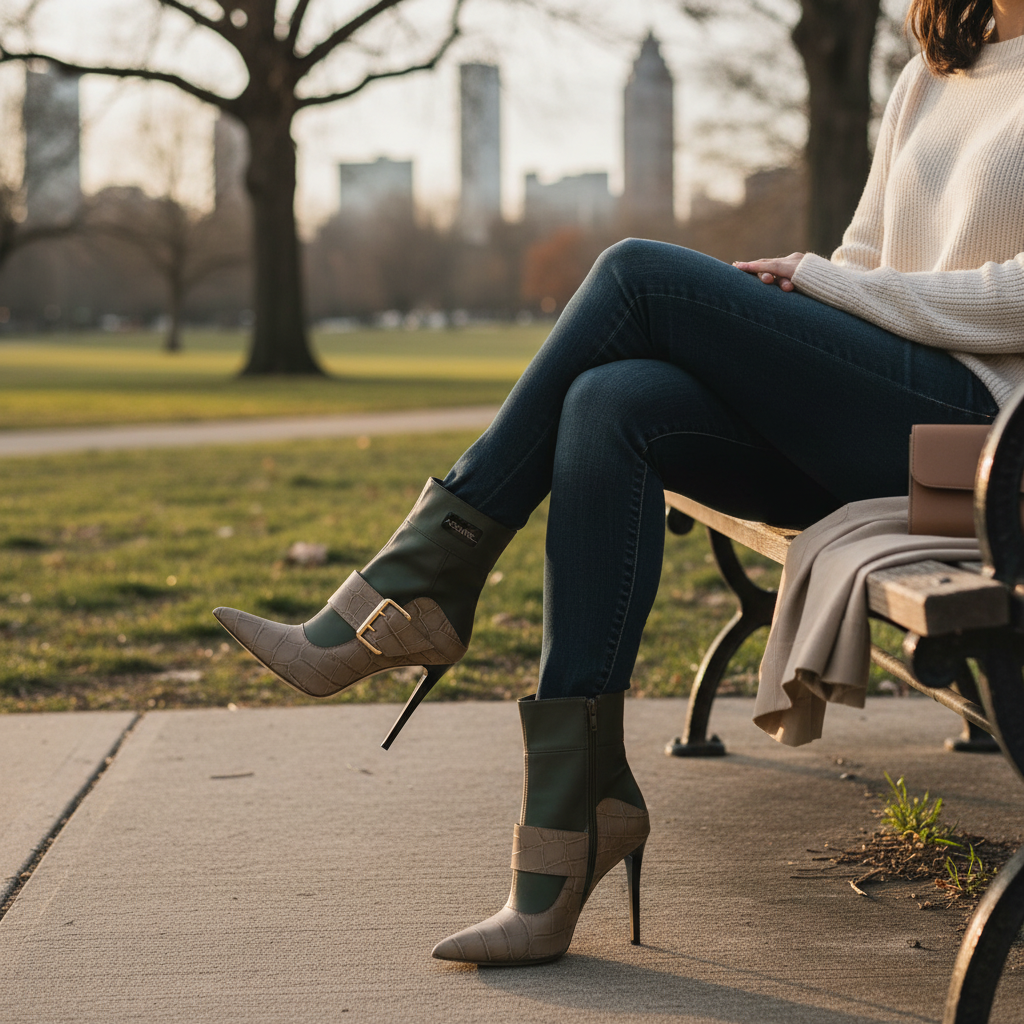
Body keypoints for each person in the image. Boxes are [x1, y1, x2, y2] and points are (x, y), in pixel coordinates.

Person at [215, 0, 1024, 967]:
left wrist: (825, 289)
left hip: (981, 447)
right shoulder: (935, 69)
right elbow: (861, 257)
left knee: (637, 272)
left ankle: (417, 583)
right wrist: (802, 304)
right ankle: (574, 823)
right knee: (610, 400)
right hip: (868, 421)